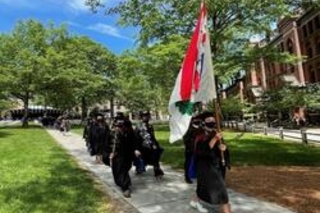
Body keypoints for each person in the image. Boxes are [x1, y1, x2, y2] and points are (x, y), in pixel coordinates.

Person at [190, 111, 231, 213]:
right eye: (208, 120)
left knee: (203, 186)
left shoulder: (215, 132)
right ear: (203, 122)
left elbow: (220, 148)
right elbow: (201, 152)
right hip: (205, 167)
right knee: (222, 191)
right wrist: (214, 139)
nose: (211, 122)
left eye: (213, 120)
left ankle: (195, 201)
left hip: (216, 165)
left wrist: (223, 149)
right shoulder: (199, 134)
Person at [106, 112, 135, 198]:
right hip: (117, 155)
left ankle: (125, 182)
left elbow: (133, 141)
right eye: (118, 123)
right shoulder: (112, 132)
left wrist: (135, 150)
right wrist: (109, 153)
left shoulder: (128, 130)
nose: (119, 125)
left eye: (121, 123)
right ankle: (125, 187)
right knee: (119, 169)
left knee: (125, 168)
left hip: (127, 154)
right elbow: (108, 143)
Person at [134, 111, 164, 180]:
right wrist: (136, 149)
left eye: (147, 116)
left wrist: (156, 145)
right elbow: (135, 139)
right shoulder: (138, 127)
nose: (146, 117)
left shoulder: (150, 126)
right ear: (141, 117)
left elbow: (153, 137)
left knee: (155, 158)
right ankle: (139, 168)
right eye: (144, 116)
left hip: (151, 147)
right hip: (142, 147)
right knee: (143, 160)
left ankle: (157, 173)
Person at [183, 115, 202, 184]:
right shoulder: (188, 129)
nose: (198, 121)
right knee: (188, 162)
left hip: (200, 149)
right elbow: (186, 140)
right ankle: (187, 176)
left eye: (198, 120)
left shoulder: (201, 128)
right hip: (190, 149)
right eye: (196, 120)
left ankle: (199, 175)